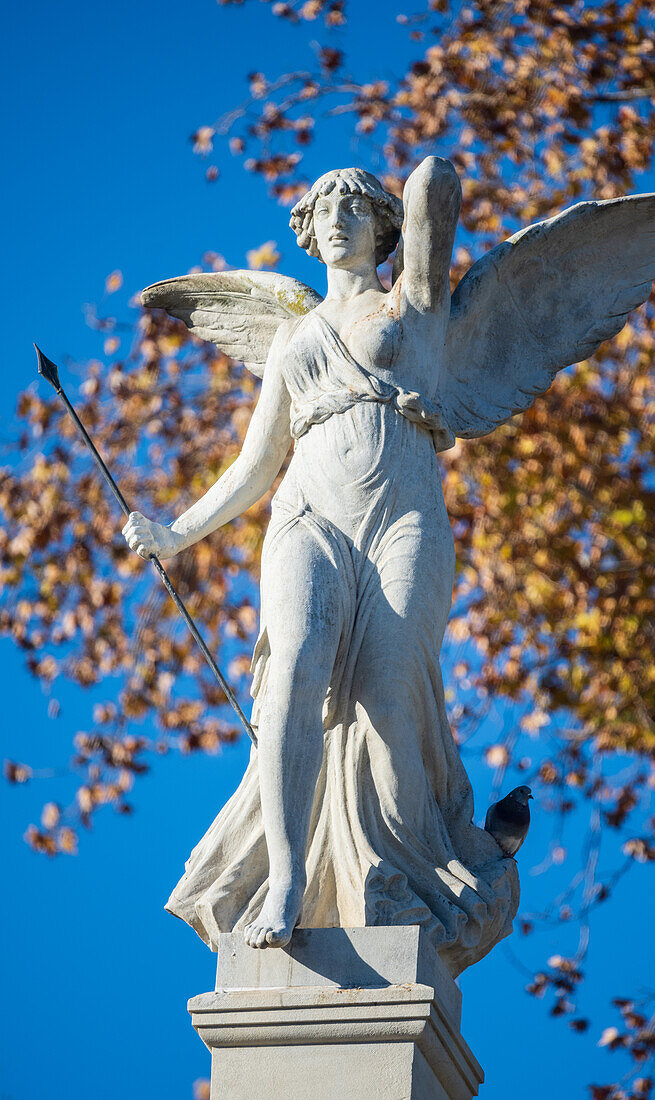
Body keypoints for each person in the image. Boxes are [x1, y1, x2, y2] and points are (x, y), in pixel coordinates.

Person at [122, 157, 518, 973]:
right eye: (321, 209)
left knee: (385, 695)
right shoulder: (295, 336)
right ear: (305, 233)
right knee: (295, 666)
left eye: (351, 207)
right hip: (307, 511)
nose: (334, 220)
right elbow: (253, 461)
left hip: (402, 513)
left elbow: (435, 187)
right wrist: (174, 533)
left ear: (380, 224)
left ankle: (404, 865)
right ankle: (286, 881)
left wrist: (422, 190)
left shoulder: (415, 302)